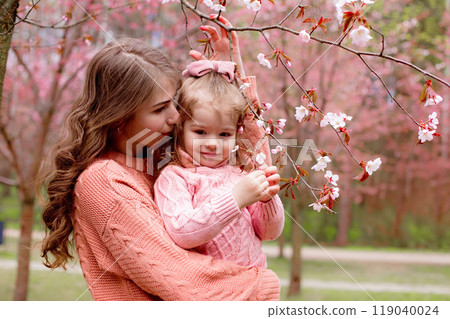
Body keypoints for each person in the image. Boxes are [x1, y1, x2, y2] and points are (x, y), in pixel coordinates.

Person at [37, 16, 281, 301]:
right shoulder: (104, 182)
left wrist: (229, 89)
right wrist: (262, 284)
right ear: (119, 119)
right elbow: (181, 277)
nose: (177, 117)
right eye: (160, 108)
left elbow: (247, 166)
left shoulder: (157, 159)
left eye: (174, 103)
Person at [153, 62, 284, 268]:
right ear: (181, 130)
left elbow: (269, 233)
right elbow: (181, 232)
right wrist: (235, 199)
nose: (212, 144)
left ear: (236, 133)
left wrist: (268, 201)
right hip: (212, 289)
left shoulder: (239, 174)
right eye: (200, 132)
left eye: (224, 134)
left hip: (253, 285)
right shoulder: (176, 177)